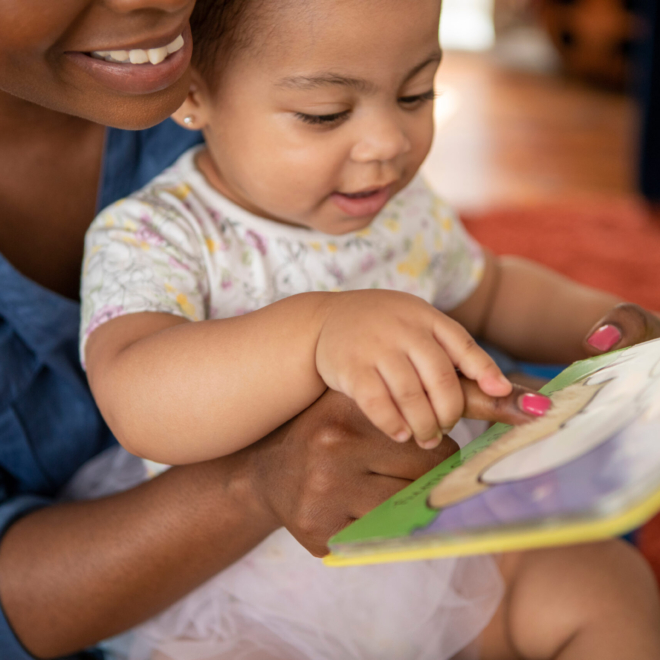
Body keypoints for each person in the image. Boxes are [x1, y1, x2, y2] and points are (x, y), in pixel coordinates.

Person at [78, 0, 660, 658]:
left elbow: (493, 291)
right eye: (325, 113)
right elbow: (136, 394)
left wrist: (605, 331)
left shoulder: (399, 207)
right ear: (191, 94)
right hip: (254, 592)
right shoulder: (157, 234)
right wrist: (317, 333)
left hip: (446, 545)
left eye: (416, 94)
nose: (389, 142)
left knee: (604, 582)